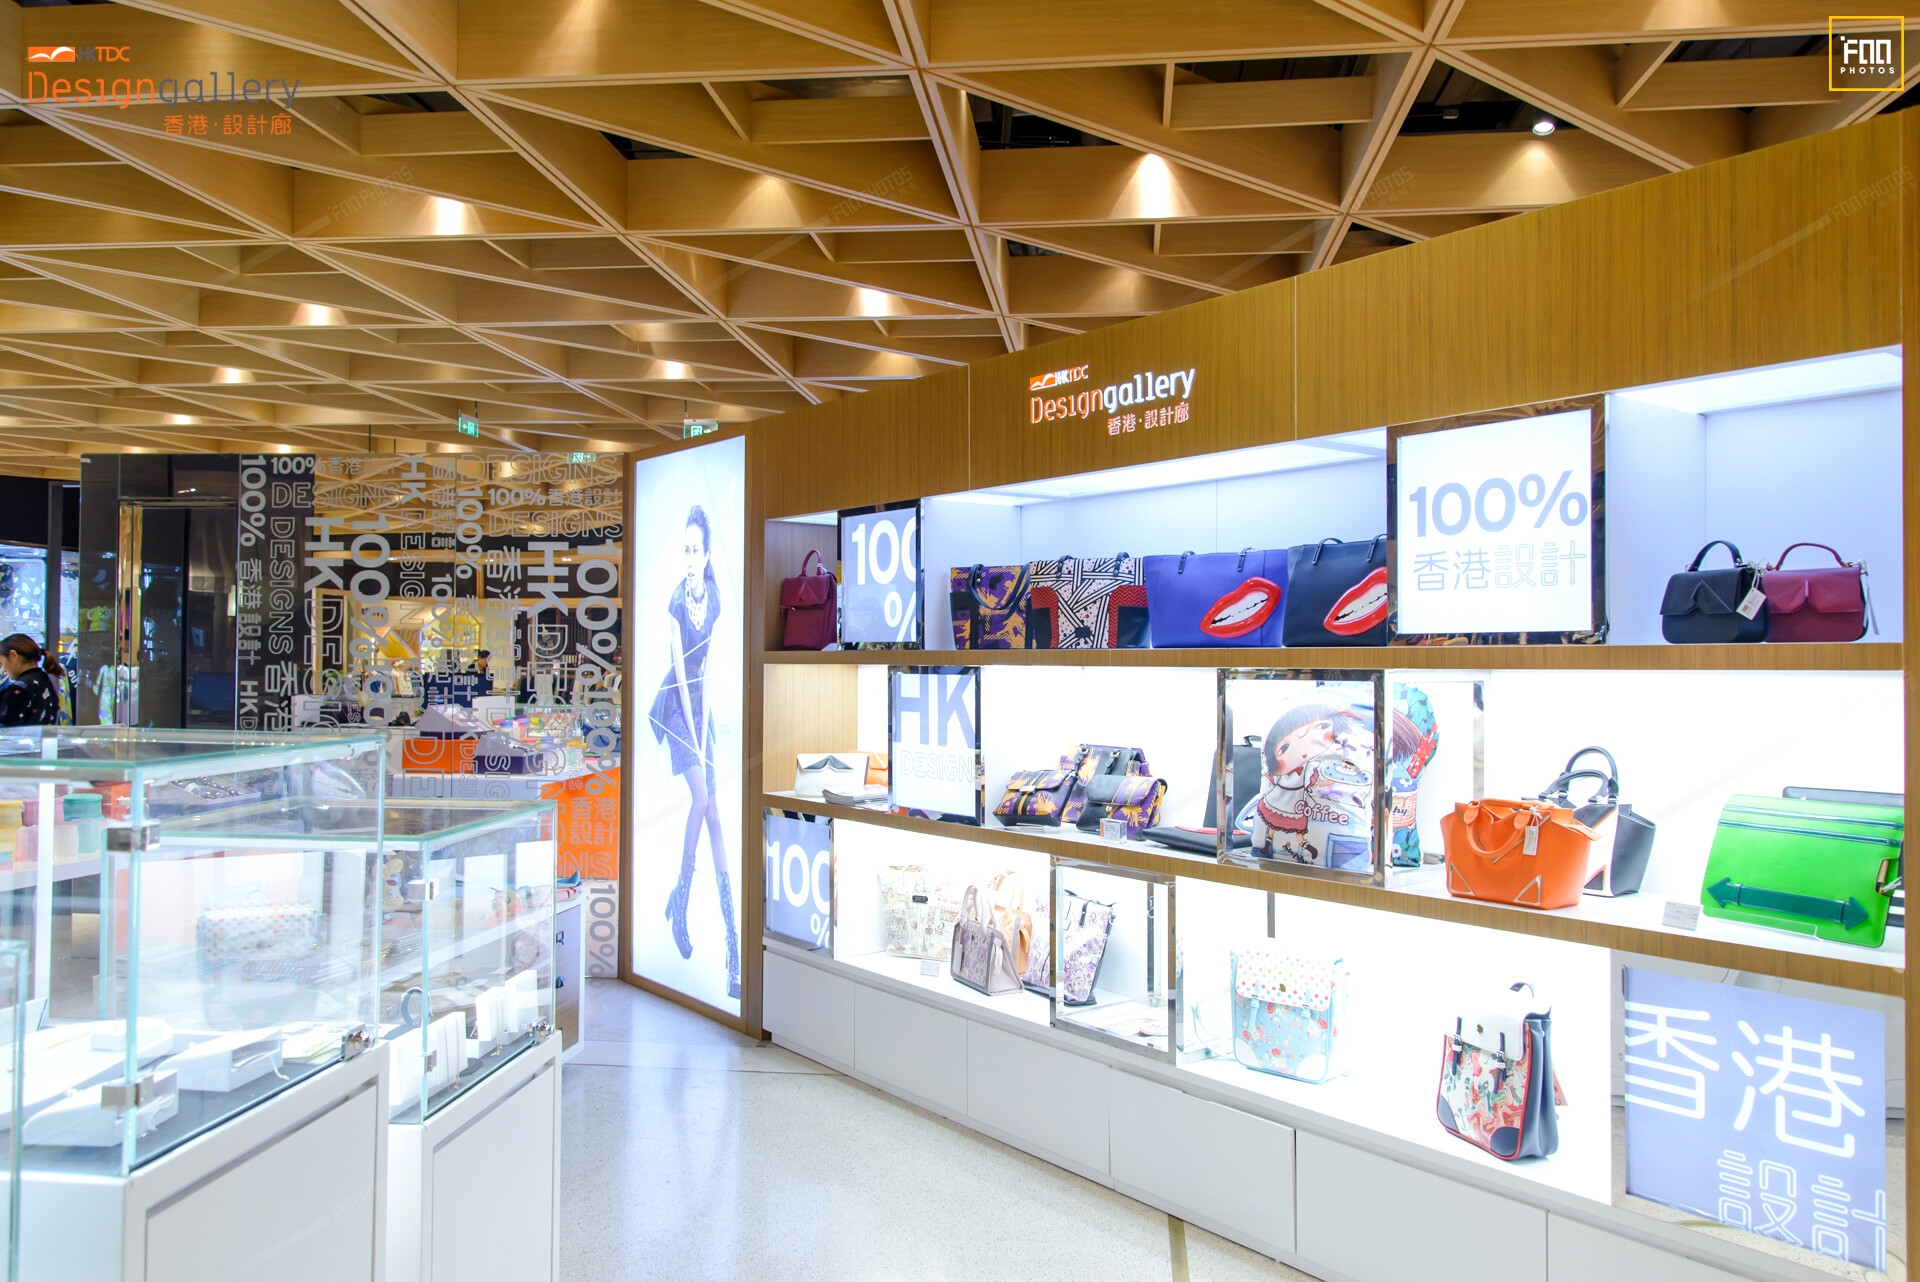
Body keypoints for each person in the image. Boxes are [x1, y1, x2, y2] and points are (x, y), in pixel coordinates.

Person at [647, 506, 738, 999]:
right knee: (702, 798)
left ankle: (733, 941)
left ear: (706, 555)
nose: (688, 557)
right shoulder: (674, 603)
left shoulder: (716, 599)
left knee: (715, 814)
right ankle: (680, 902)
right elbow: (682, 676)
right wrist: (697, 743)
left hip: (702, 705)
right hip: (677, 706)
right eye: (684, 549)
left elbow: (712, 672)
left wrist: (708, 733)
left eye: (695, 549)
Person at [0, 634, 62, 726]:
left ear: (13, 655)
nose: (4, 669)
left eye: (2, 663)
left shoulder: (17, 690)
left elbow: (5, 728)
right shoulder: (45, 681)